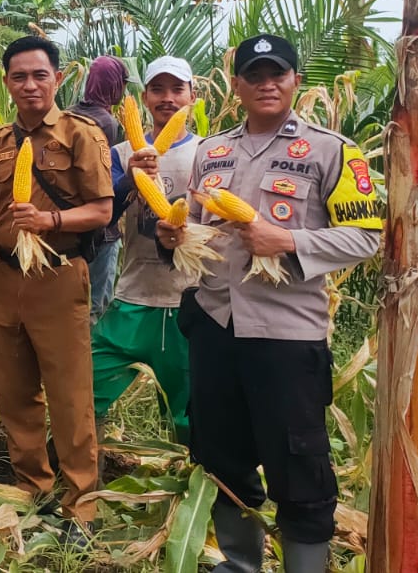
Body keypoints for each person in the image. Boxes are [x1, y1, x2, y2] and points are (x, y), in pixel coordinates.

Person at [156, 34, 381, 573]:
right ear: (236, 85)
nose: (266, 84)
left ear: (296, 81)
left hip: (286, 336)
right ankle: (240, 563)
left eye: (277, 74)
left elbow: (367, 236)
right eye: (254, 76)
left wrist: (289, 241)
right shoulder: (212, 151)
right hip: (215, 326)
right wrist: (173, 236)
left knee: (298, 466)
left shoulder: (332, 151)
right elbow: (194, 228)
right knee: (221, 457)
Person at [0, 36, 114, 543]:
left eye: (39, 75)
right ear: (6, 82)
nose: (29, 85)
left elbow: (102, 210)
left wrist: (50, 220)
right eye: (19, 76)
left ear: (57, 79)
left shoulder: (80, 134)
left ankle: (81, 505)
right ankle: (32, 486)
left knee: (69, 395)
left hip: (57, 276)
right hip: (3, 275)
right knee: (14, 390)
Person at [90, 56, 198, 443]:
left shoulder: (208, 152)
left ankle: (188, 473)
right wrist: (131, 179)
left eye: (177, 89)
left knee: (188, 412)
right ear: (145, 98)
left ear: (192, 96)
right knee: (88, 390)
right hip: (133, 295)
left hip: (188, 299)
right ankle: (85, 466)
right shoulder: (119, 154)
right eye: (158, 89)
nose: (168, 98)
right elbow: (104, 217)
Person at [70, 56, 128, 322]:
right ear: (113, 84)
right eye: (122, 84)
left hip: (71, 223)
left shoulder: (68, 113)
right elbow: (103, 178)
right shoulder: (105, 122)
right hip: (99, 229)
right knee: (96, 304)